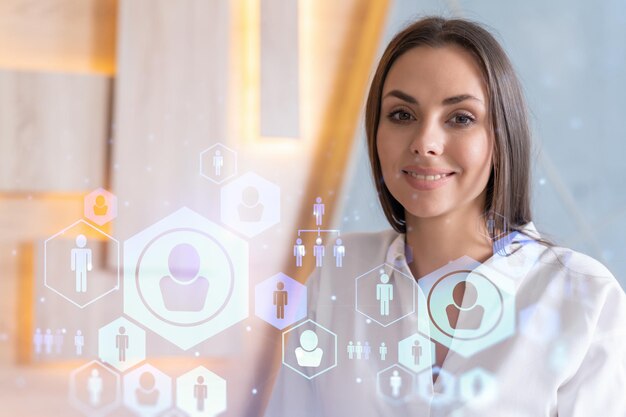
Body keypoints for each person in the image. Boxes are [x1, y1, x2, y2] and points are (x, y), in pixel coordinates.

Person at [266, 16, 626, 417]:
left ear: (502, 134)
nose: (425, 143)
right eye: (402, 114)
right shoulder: (339, 273)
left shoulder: (584, 298)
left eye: (460, 118)